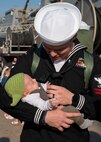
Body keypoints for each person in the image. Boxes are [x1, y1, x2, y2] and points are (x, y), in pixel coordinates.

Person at [0, 2, 101, 142]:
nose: (53, 54)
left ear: (74, 37)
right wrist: (43, 116)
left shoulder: (91, 63)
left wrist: (74, 99)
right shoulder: (32, 57)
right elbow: (5, 97)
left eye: (59, 49)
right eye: (48, 48)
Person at [4, 73, 93, 129]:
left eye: (32, 78)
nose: (35, 80)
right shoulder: (31, 98)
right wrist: (49, 104)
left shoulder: (32, 89)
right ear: (26, 92)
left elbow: (41, 87)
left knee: (69, 108)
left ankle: (79, 117)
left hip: (53, 110)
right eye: (32, 82)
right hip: (51, 116)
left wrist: (46, 86)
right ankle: (82, 124)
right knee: (70, 110)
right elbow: (41, 104)